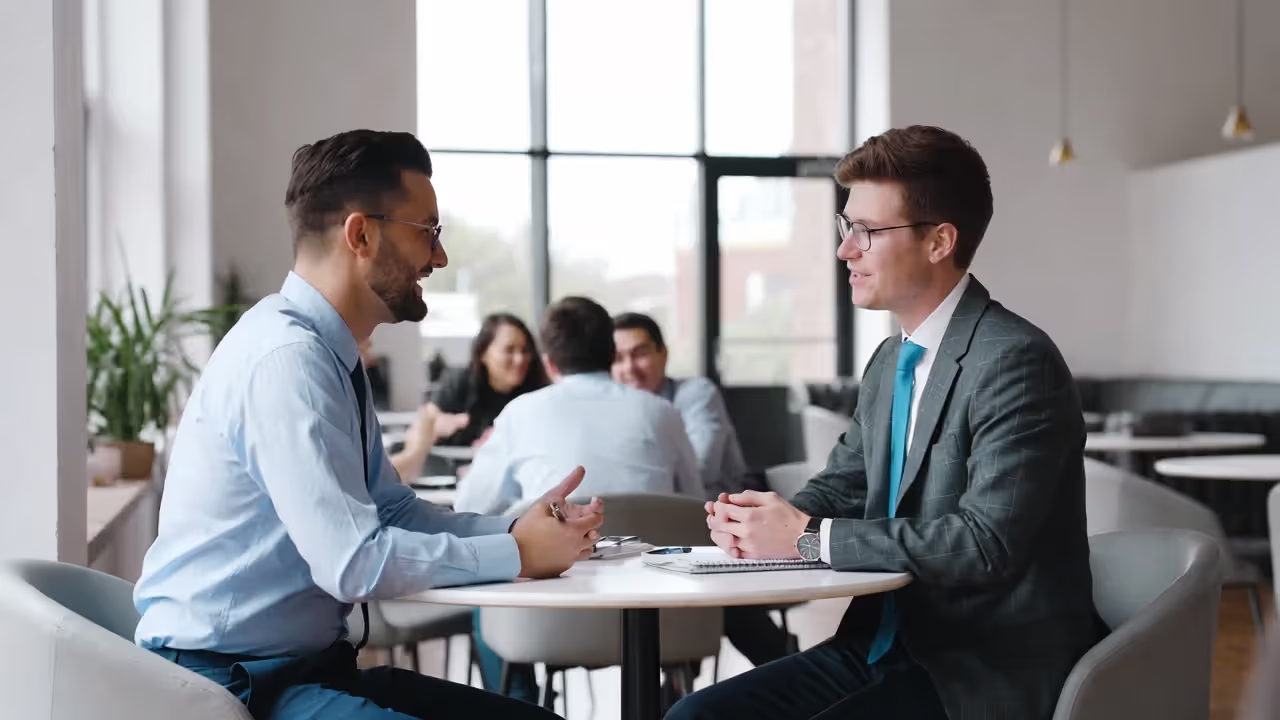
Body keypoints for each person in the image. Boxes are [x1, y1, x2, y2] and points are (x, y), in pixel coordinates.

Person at [132, 129, 603, 720]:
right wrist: (515, 553)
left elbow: (392, 511)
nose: (440, 257)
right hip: (230, 687)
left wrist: (517, 528)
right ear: (361, 235)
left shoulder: (330, 354)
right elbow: (351, 563)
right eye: (428, 231)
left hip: (303, 671)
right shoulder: (289, 361)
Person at [667, 125, 1101, 720]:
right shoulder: (890, 360)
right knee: (693, 717)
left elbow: (985, 544)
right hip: (880, 645)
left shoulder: (1015, 360)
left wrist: (807, 537)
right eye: (846, 227)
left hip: (980, 666)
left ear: (939, 241)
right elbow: (843, 486)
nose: (846, 250)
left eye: (867, 231)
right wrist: (761, 524)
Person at [456, 296, 703, 702]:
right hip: (660, 616)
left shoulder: (520, 413)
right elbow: (693, 508)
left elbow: (470, 507)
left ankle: (522, 708)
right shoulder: (662, 413)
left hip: (544, 617)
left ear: (550, 362)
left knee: (487, 598)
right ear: (611, 352)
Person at [612, 312, 797, 669]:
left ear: (664, 353)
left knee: (703, 583)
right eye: (618, 358)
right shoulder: (615, 410)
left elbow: (699, 470)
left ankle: (781, 669)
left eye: (640, 353)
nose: (629, 367)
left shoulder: (695, 394)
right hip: (658, 537)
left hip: (721, 523)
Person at [428, 313, 550, 447]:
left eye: (525, 350)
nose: (520, 359)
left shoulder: (538, 394)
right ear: (483, 353)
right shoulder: (459, 381)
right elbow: (426, 425)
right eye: (509, 350)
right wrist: (437, 426)